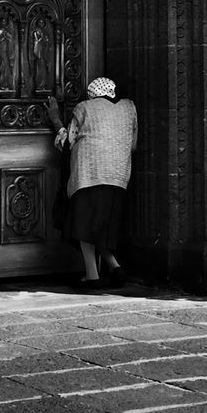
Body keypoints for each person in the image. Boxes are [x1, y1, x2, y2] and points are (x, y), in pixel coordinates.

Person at [47, 77, 138, 288]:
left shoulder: (84, 107)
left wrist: (56, 120)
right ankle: (115, 267)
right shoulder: (129, 108)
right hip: (118, 175)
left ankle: (92, 275)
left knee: (84, 224)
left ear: (92, 93)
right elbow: (132, 145)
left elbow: (67, 141)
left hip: (89, 173)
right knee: (100, 226)